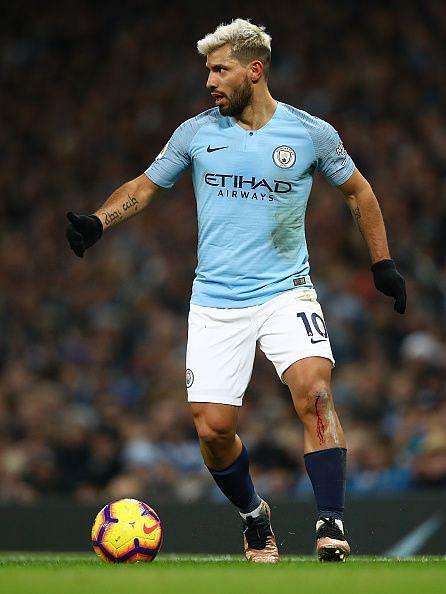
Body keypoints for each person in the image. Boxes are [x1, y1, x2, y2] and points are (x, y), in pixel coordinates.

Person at [66, 18, 407, 563]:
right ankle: (255, 517)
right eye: (207, 70)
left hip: (285, 291)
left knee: (315, 390)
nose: (210, 80)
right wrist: (99, 222)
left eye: (220, 69)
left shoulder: (309, 133)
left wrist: (382, 263)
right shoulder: (196, 133)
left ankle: (330, 522)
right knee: (213, 430)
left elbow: (359, 193)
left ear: (255, 70)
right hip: (216, 302)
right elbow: (144, 188)